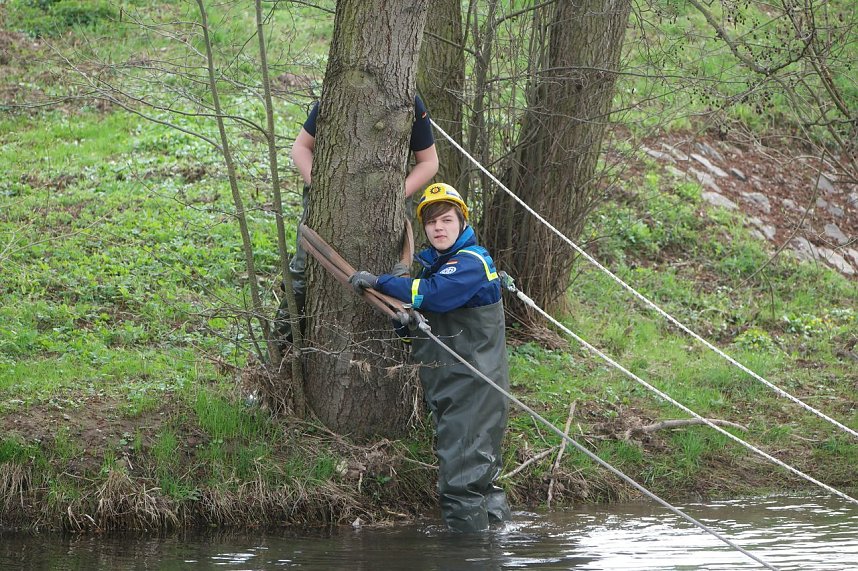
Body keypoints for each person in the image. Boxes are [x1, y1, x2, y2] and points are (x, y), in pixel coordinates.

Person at [349, 183, 511, 532]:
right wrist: (403, 323)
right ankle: (498, 546)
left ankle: (466, 558)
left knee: (461, 486)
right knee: (483, 482)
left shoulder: (471, 262)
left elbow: (433, 297)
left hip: (472, 390)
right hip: (456, 389)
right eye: (432, 222)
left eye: (447, 220)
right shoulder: (439, 267)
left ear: (462, 222)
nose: (439, 228)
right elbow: (430, 327)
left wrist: (380, 281)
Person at [275, 95, 439, 344]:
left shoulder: (410, 103)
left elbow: (429, 162)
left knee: (391, 276)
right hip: (325, 204)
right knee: (301, 274)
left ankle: (398, 350)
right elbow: (300, 148)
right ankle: (281, 351)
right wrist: (320, 189)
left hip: (387, 210)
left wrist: (395, 196)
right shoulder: (336, 95)